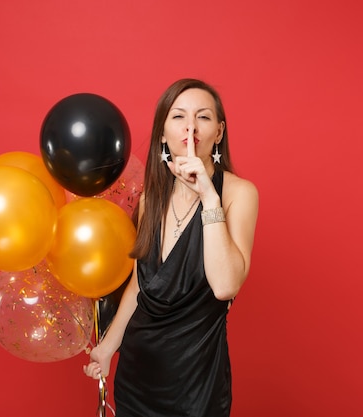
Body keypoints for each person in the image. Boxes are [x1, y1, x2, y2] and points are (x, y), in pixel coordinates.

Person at [83, 78, 259, 416]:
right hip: (138, 373)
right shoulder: (151, 199)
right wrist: (107, 348)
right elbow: (139, 285)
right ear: (163, 134)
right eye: (178, 116)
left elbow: (225, 286)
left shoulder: (239, 193)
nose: (191, 126)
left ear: (219, 133)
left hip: (196, 379)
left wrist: (209, 195)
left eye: (203, 117)